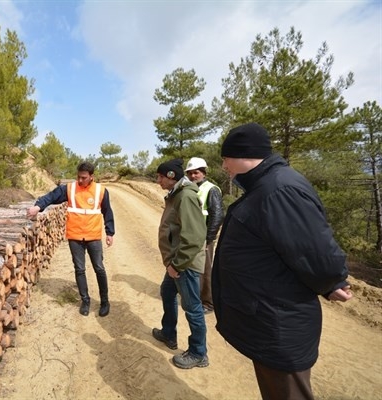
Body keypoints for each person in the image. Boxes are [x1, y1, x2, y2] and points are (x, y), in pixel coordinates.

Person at [213, 122, 353, 399]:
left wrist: (330, 279)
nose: (224, 166)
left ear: (243, 155)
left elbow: (311, 247)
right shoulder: (268, 185)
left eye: (225, 159)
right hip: (270, 317)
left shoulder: (278, 190)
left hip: (277, 323)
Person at [27, 161, 115, 317]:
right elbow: (51, 197)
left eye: (83, 177)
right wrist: (38, 206)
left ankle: (104, 302)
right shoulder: (70, 188)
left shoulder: (101, 191)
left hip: (93, 236)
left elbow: (107, 212)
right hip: (75, 236)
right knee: (79, 269)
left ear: (91, 177)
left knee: (99, 268)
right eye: (78, 177)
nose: (80, 180)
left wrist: (110, 233)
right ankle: (85, 301)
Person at [150, 158, 209, 369]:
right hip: (176, 261)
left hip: (185, 264)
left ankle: (198, 353)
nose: (158, 181)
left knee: (192, 308)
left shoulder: (185, 196)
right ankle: (169, 333)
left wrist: (177, 265)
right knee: (167, 292)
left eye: (159, 176)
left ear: (170, 176)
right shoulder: (177, 194)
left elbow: (193, 237)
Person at [185, 157, 224, 314]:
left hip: (204, 238)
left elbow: (217, 215)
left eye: (196, 173)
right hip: (192, 237)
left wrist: (209, 239)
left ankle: (208, 303)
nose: (193, 176)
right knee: (193, 267)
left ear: (203, 173)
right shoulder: (191, 188)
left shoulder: (211, 189)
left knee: (206, 270)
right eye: (190, 173)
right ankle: (195, 296)